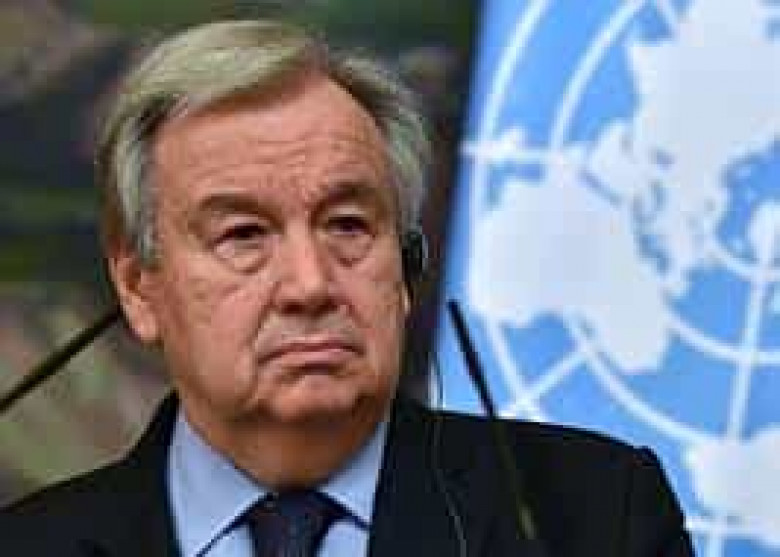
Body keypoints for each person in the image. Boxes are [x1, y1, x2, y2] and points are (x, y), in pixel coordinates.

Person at [0, 19, 694, 556]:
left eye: (349, 225)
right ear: (137, 287)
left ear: (405, 267)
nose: (310, 285)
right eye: (244, 235)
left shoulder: (594, 517)